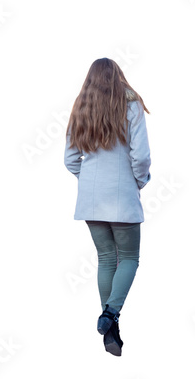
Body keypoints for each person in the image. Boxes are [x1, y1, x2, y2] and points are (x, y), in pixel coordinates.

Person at [64, 58, 151, 357]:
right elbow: (140, 157)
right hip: (122, 195)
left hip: (90, 198)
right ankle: (111, 314)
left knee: (105, 259)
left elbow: (70, 159)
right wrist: (138, 182)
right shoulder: (131, 105)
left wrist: (89, 180)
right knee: (128, 257)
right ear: (118, 77)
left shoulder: (81, 107)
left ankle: (110, 329)